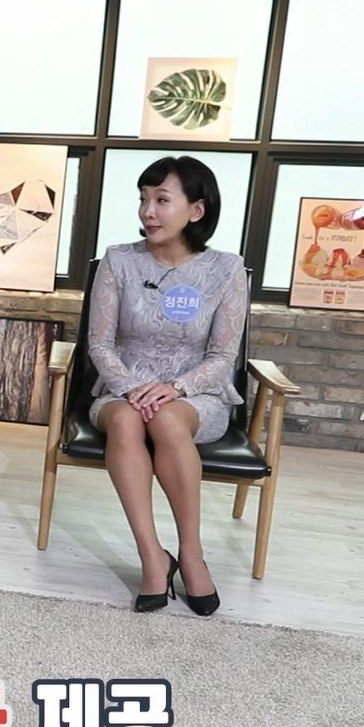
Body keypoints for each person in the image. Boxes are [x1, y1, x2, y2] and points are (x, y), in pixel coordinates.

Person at [87, 156, 244, 616]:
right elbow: (100, 343)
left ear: (196, 210)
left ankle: (191, 554)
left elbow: (222, 357)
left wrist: (175, 387)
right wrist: (133, 388)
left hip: (195, 394)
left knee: (168, 420)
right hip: (122, 389)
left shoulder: (226, 269)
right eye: (143, 200)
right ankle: (152, 556)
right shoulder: (119, 260)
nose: (148, 212)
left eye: (161, 200)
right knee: (126, 421)